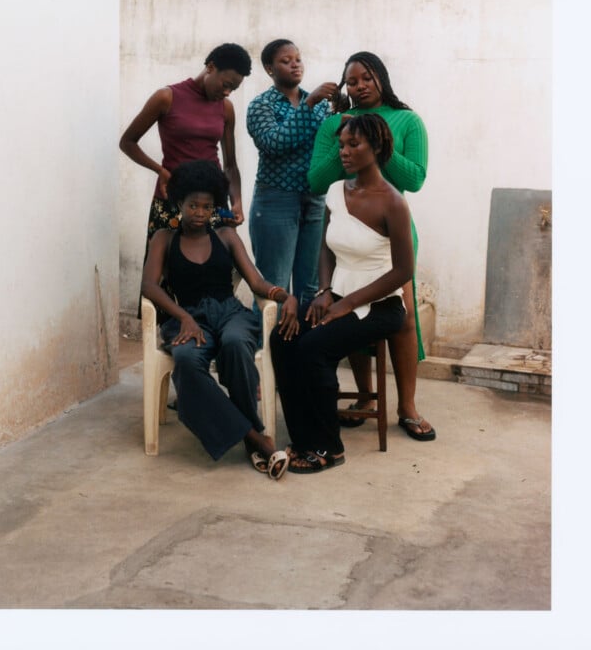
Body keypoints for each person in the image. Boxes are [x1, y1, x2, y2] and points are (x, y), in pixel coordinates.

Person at [271, 114, 413, 473]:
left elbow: (403, 271)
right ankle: (304, 438)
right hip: (338, 295)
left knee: (314, 346)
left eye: (354, 145)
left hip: (381, 304)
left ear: (377, 147)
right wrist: (325, 291)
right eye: (342, 145)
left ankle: (328, 448)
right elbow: (326, 248)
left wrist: (346, 303)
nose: (344, 152)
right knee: (283, 338)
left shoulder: (393, 203)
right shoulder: (336, 191)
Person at [141, 160, 299, 479]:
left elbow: (256, 282)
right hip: (188, 318)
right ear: (180, 204)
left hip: (229, 314)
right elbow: (148, 285)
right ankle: (256, 439)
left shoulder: (226, 236)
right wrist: (184, 317)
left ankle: (248, 436)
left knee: (237, 343)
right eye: (193, 205)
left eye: (207, 206)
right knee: (185, 360)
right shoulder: (163, 239)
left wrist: (287, 297)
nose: (200, 212)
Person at [308, 51, 435, 440]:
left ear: (381, 77)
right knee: (349, 310)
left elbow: (414, 179)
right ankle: (364, 396)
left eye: (366, 77)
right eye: (351, 81)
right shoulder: (333, 124)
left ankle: (407, 406)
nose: (359, 86)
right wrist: (342, 136)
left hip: (388, 234)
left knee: (403, 317)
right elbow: (317, 180)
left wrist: (376, 138)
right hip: (345, 233)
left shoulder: (408, 120)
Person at [120, 43, 252, 316]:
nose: (227, 92)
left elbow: (229, 165)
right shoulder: (166, 97)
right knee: (166, 276)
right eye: (226, 84)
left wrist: (236, 202)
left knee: (215, 275)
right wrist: (159, 170)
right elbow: (128, 142)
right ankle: (170, 341)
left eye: (234, 89)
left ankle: (216, 339)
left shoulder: (225, 108)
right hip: (172, 203)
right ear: (211, 67)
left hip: (212, 204)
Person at [247, 39, 339, 306]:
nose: (294, 65)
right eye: (285, 61)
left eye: (297, 59)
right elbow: (274, 143)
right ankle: (270, 346)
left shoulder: (321, 104)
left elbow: (328, 146)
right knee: (274, 285)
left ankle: (303, 345)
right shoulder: (261, 106)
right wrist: (309, 105)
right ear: (269, 69)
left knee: (310, 287)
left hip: (315, 201)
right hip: (276, 199)